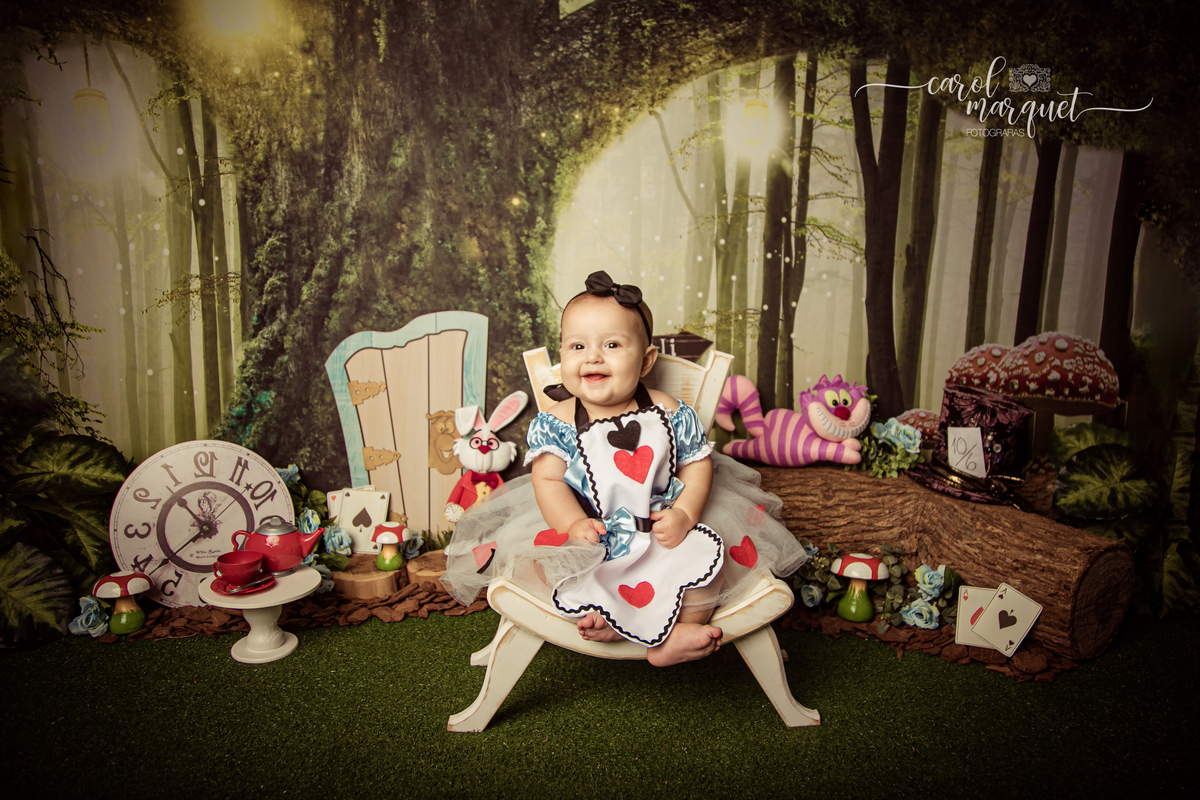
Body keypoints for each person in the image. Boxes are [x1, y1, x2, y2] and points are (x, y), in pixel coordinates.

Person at [441, 271, 808, 666]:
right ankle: (610, 620)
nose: (593, 356)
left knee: (707, 566)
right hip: (595, 531)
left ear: (646, 360)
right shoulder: (558, 420)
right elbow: (546, 479)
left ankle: (678, 631)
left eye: (612, 344)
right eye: (577, 345)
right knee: (559, 569)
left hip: (660, 526)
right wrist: (570, 524)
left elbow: (698, 466)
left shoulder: (667, 411)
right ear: (563, 356)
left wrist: (684, 515)